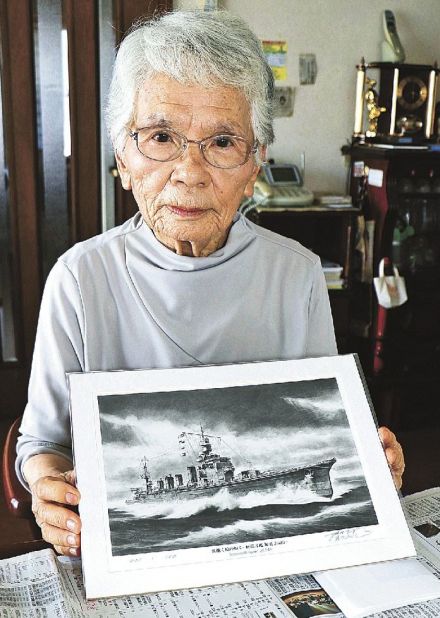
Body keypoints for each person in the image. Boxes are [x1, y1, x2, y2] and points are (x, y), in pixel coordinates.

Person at [16, 10, 404, 557]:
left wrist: (363, 455)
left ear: (255, 165)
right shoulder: (79, 280)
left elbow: (321, 423)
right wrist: (45, 485)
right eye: (159, 137)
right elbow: (43, 444)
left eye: (222, 142)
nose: (189, 171)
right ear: (122, 160)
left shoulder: (296, 275)